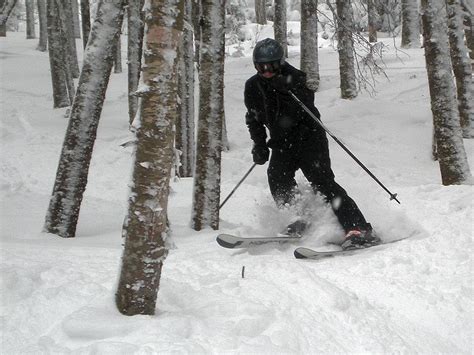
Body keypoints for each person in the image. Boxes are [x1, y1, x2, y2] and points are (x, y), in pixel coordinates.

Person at [244, 38, 380, 250]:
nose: (266, 71)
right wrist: (259, 144)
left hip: (310, 139)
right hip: (281, 143)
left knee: (322, 182)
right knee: (277, 176)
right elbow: (253, 117)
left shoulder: (296, 78)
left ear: (280, 63)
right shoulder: (253, 86)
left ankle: (358, 228)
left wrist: (285, 90)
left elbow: (304, 108)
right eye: (261, 67)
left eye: (271, 66)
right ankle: (298, 218)